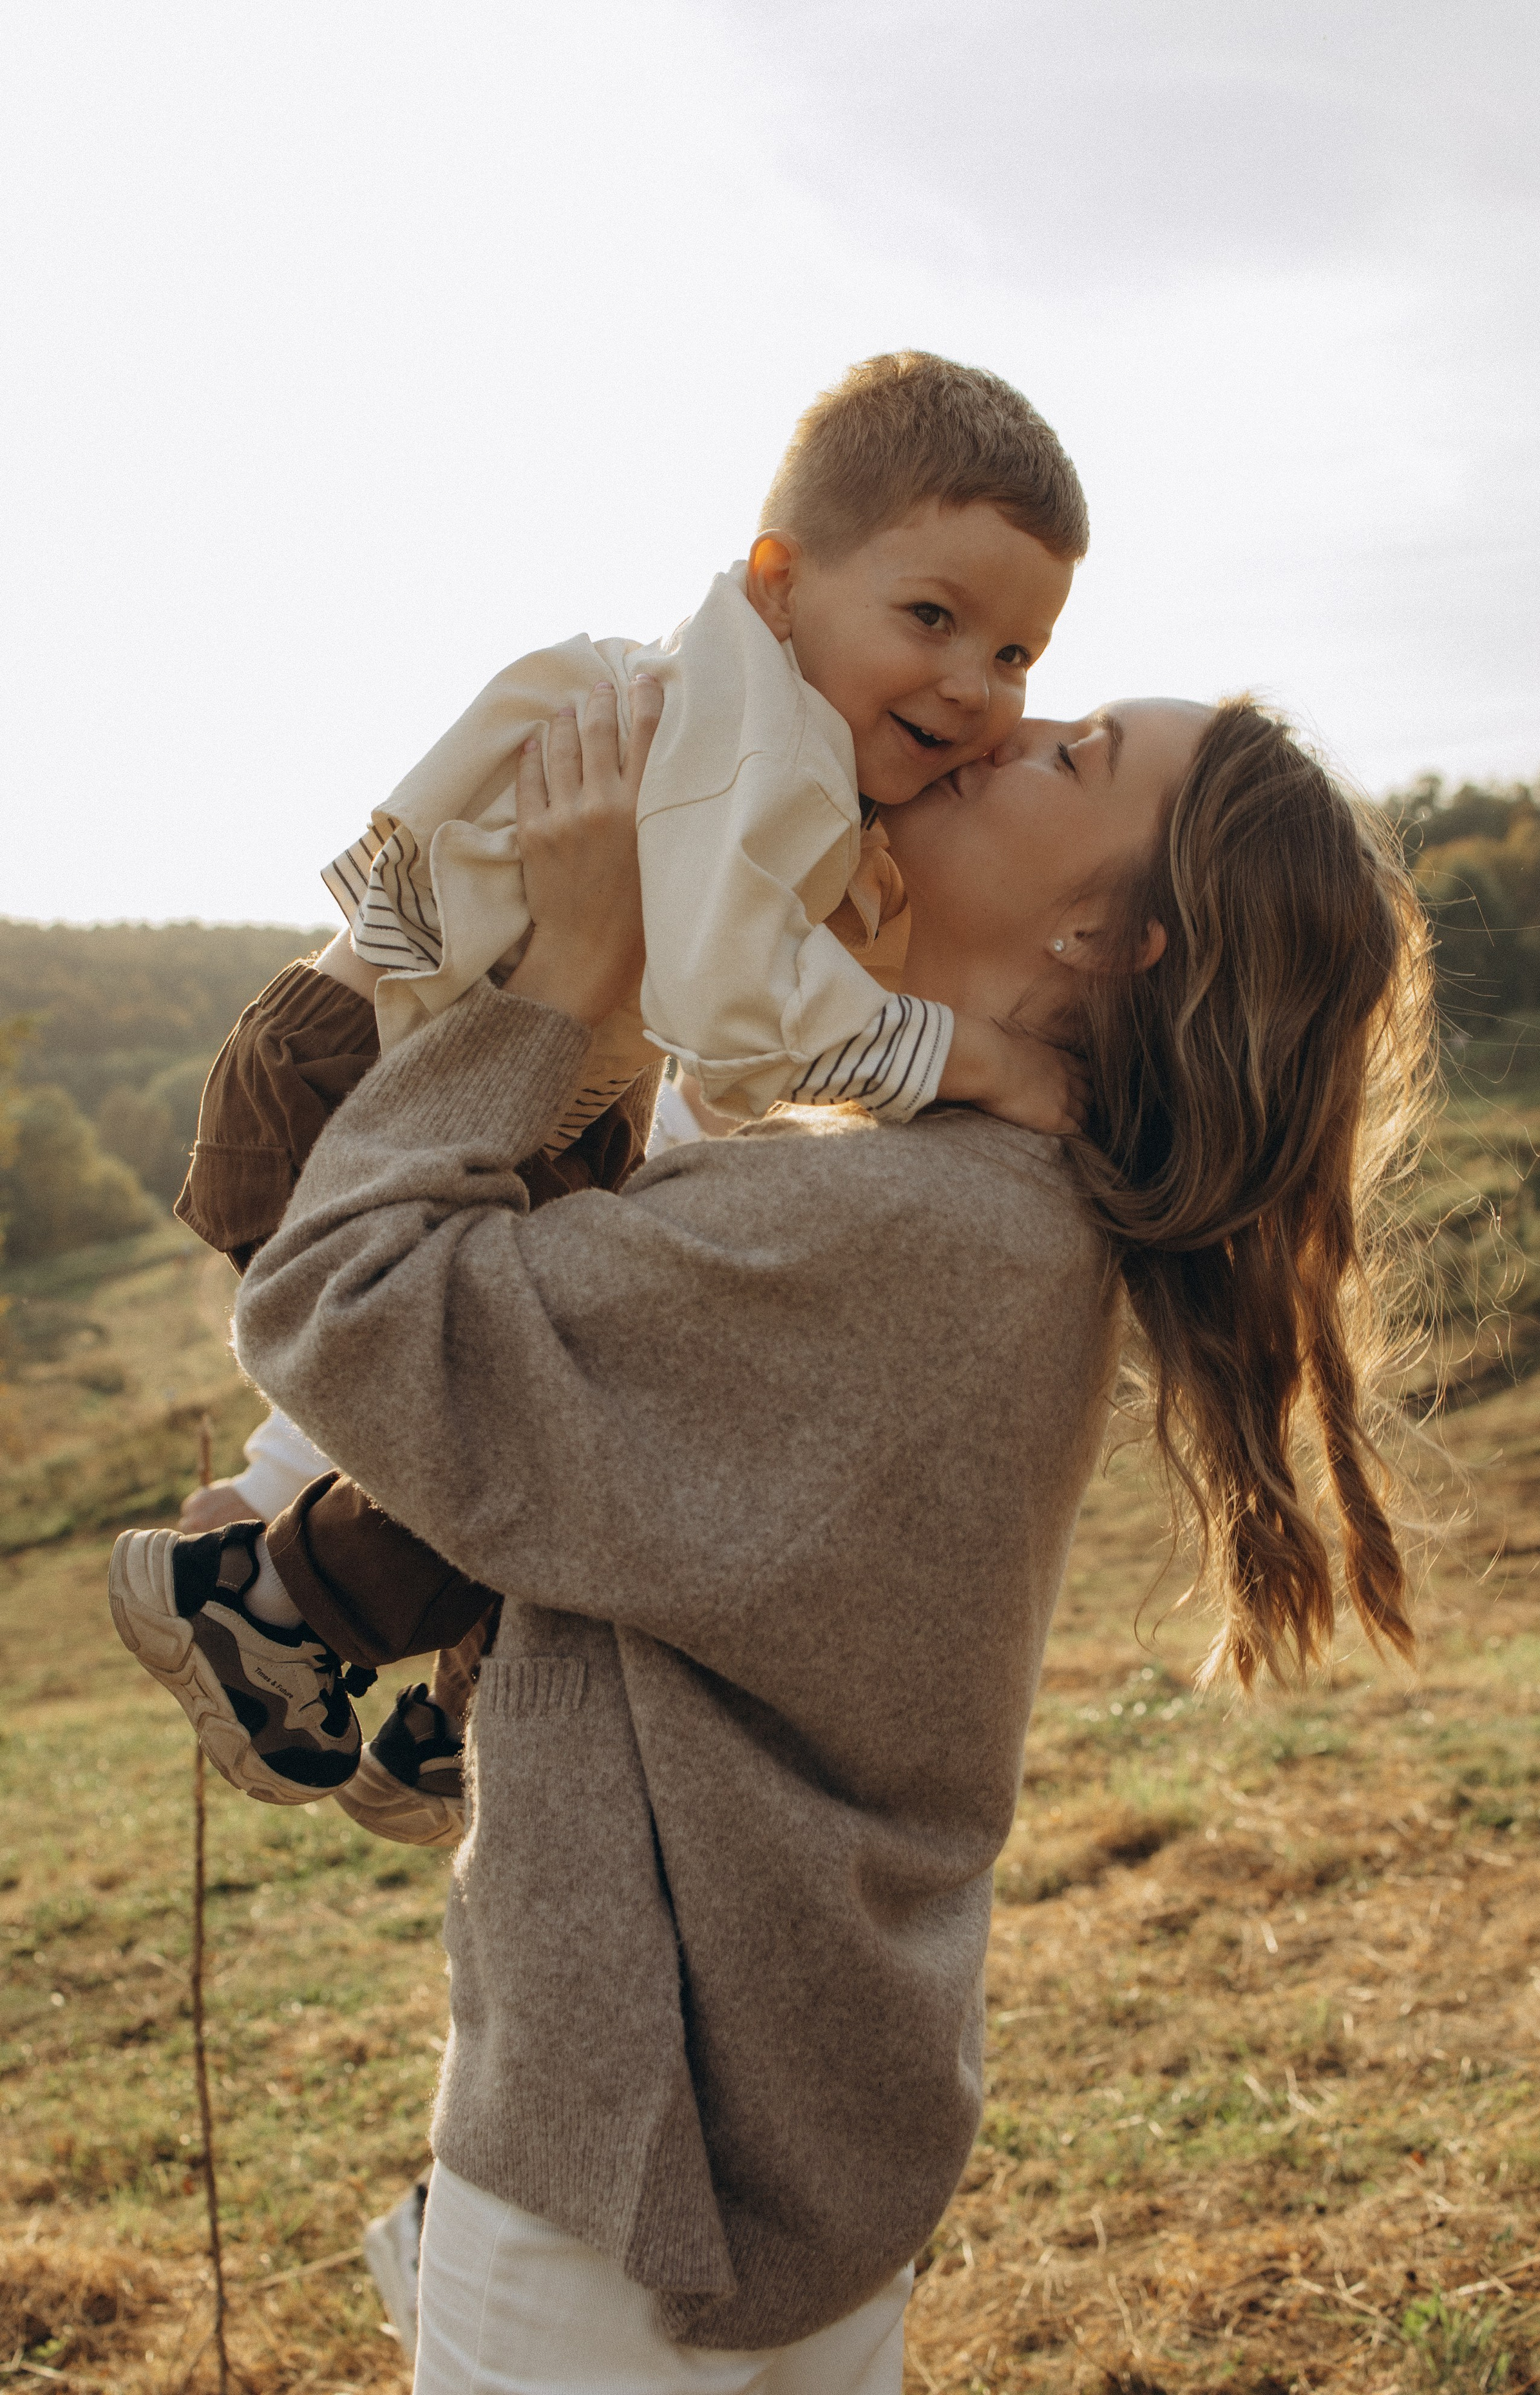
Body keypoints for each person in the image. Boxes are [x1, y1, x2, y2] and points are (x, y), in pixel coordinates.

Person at [204, 678, 1427, 2390]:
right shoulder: (993, 1204)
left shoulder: (895, 1220)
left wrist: (572, 973)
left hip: (633, 2151)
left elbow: (343, 1304)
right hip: (809, 2114)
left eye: (1073, 757)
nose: (1003, 732)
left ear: (1108, 938)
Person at [108, 348, 1090, 1823]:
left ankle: (448, 1690)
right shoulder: (751, 747)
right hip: (369, 1102)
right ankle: (257, 1601)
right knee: (532, 1407)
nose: (972, 685)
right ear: (779, 584)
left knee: (574, 1391)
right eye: (931, 618)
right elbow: (726, 1009)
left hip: (485, 1097)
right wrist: (981, 1057)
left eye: (1015, 654)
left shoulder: (760, 732)